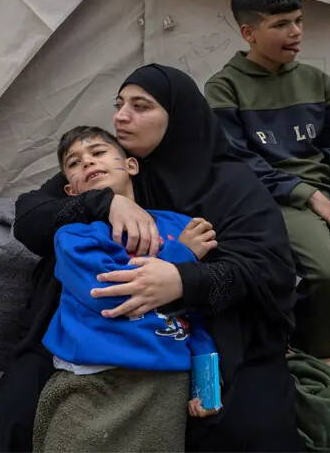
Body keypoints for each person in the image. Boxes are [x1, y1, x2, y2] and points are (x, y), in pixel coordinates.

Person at [0, 64, 303, 452]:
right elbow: (30, 217)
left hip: (208, 329)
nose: (121, 116)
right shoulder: (107, 169)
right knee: (12, 419)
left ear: (176, 116)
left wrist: (182, 281)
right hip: (92, 327)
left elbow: (267, 269)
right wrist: (103, 202)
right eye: (119, 105)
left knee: (243, 430)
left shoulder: (231, 185)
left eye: (140, 106)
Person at [203, 0, 330, 364]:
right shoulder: (224, 88)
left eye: (299, 20)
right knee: (327, 275)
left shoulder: (316, 80)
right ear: (248, 32)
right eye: (281, 24)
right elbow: (238, 162)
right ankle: (312, 366)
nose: (296, 32)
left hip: (327, 197)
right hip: (276, 198)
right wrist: (308, 196)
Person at [33, 126, 219, 452]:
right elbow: (112, 295)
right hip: (91, 378)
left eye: (98, 152)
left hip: (164, 377)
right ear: (71, 190)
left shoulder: (179, 226)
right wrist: (182, 258)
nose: (87, 162)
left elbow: (195, 308)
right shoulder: (74, 236)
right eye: (74, 162)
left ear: (131, 165)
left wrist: (207, 384)